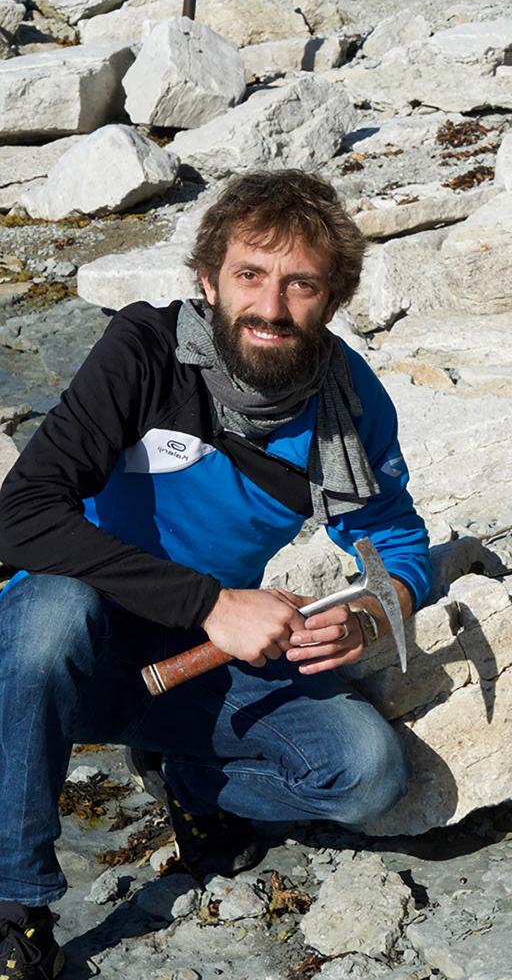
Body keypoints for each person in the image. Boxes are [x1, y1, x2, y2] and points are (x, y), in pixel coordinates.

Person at [0, 169, 432, 975]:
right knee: (55, 615)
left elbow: (397, 545)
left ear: (333, 299)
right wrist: (210, 603)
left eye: (300, 285)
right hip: (67, 653)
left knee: (366, 773)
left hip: (197, 668)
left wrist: (373, 614)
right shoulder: (145, 350)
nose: (270, 309)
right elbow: (23, 513)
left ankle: (190, 781)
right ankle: (14, 906)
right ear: (207, 280)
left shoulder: (349, 401)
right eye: (250, 276)